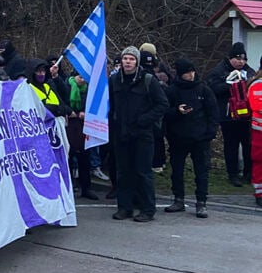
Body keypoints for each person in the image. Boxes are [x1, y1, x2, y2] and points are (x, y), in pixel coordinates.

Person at [109, 46, 169, 222]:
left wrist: (145, 120)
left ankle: (147, 209)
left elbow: (162, 104)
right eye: (125, 58)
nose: (127, 62)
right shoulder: (114, 80)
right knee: (123, 172)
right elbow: (109, 104)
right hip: (121, 134)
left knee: (143, 173)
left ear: (137, 62)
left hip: (143, 135)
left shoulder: (148, 80)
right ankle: (124, 207)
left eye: (131, 59)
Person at [163, 58, 219, 218]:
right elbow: (164, 112)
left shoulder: (204, 89)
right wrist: (177, 111)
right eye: (188, 72)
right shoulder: (172, 90)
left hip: (200, 138)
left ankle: (201, 202)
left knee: (201, 171)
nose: (191, 74)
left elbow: (213, 113)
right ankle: (178, 199)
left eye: (192, 71)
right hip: (178, 137)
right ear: (181, 74)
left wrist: (210, 133)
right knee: (177, 170)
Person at [206, 42, 254, 187]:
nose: (241, 62)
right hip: (228, 115)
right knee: (231, 145)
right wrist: (231, 84)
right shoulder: (220, 70)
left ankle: (248, 172)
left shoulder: (249, 71)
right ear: (230, 58)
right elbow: (213, 88)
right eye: (238, 59)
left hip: (245, 115)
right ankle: (233, 174)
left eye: (243, 59)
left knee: (248, 144)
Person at [66, 73, 98, 200]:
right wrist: (69, 111)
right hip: (70, 124)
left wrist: (86, 112)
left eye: (84, 77)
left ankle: (86, 187)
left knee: (85, 157)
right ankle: (69, 187)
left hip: (85, 125)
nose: (82, 79)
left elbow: (95, 105)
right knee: (69, 156)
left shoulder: (90, 89)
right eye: (80, 76)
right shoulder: (67, 86)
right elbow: (61, 101)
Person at [246, 63, 262, 209]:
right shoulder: (257, 84)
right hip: (259, 131)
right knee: (259, 161)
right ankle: (259, 194)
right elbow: (257, 106)